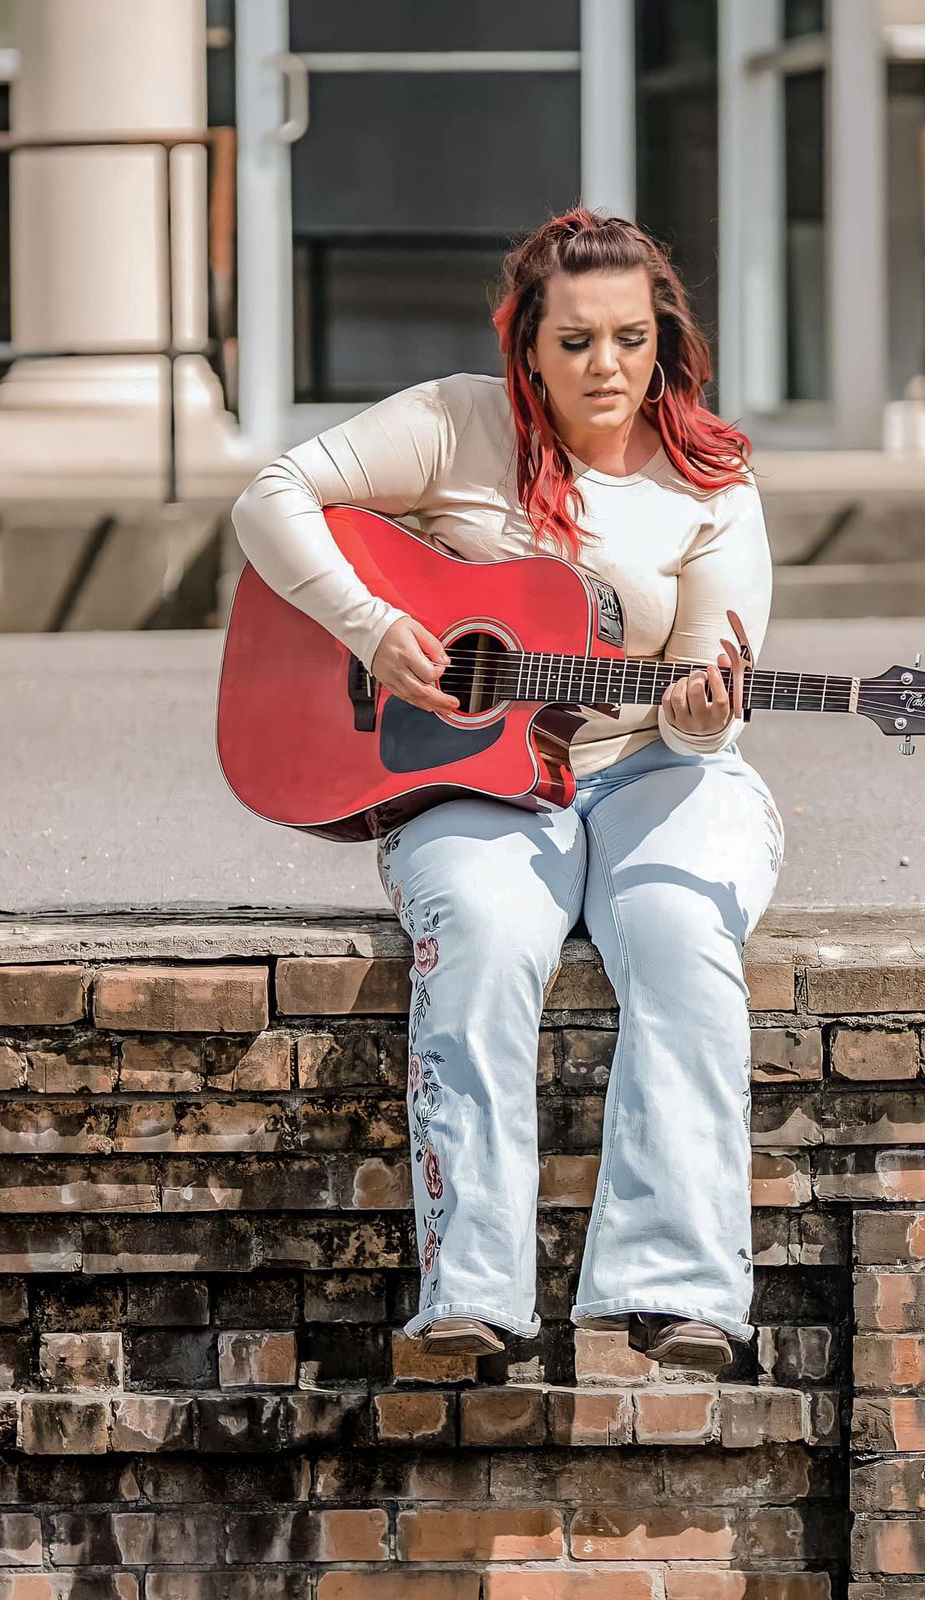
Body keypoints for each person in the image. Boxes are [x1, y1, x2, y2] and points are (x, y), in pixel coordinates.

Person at [231, 208, 785, 1371]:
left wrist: (701, 716)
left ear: (664, 340)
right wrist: (372, 626)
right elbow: (268, 496)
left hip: (651, 767)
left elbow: (706, 691)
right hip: (473, 780)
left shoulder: (710, 485)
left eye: (629, 339)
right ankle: (472, 1288)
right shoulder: (452, 422)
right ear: (525, 343)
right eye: (574, 341)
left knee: (679, 933)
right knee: (478, 934)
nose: (605, 367)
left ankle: (676, 1286)